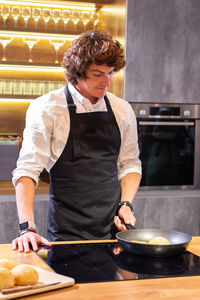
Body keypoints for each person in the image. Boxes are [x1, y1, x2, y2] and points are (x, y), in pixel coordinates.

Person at [12, 30, 142, 253]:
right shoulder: (47, 108)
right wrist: (27, 228)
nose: (107, 82)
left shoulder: (122, 109)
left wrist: (126, 204)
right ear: (77, 73)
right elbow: (27, 170)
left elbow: (129, 164)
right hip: (66, 234)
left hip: (114, 232)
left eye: (111, 73)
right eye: (98, 74)